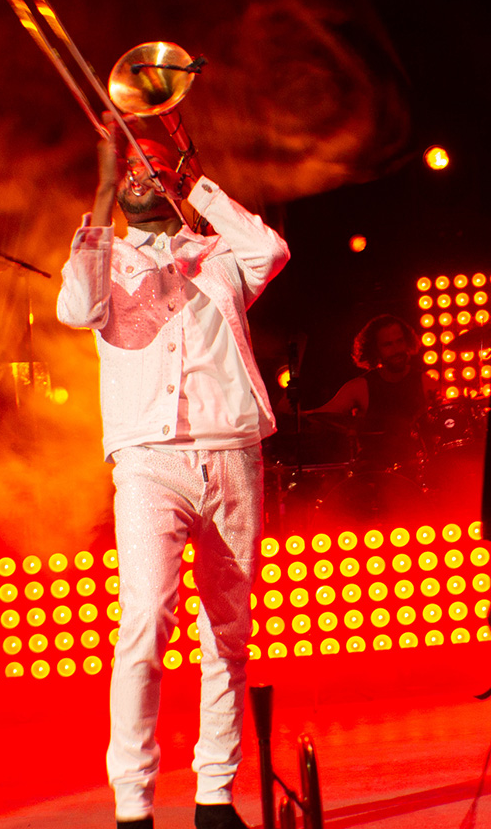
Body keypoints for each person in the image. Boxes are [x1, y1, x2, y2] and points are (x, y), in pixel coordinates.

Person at [56, 124, 289, 829]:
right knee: (144, 623)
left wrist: (198, 189)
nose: (140, 175)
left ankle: (215, 795)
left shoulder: (219, 256)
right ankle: (133, 805)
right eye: (130, 166)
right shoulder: (106, 256)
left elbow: (272, 251)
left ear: (179, 175)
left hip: (231, 452)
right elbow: (75, 308)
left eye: (153, 165)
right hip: (148, 460)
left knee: (228, 632)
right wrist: (104, 184)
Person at [308, 314, 432, 469]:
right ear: (375, 350)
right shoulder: (360, 387)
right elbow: (322, 416)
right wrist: (296, 414)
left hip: (416, 470)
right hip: (372, 474)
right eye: (387, 345)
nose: (396, 350)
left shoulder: (425, 382)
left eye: (400, 341)